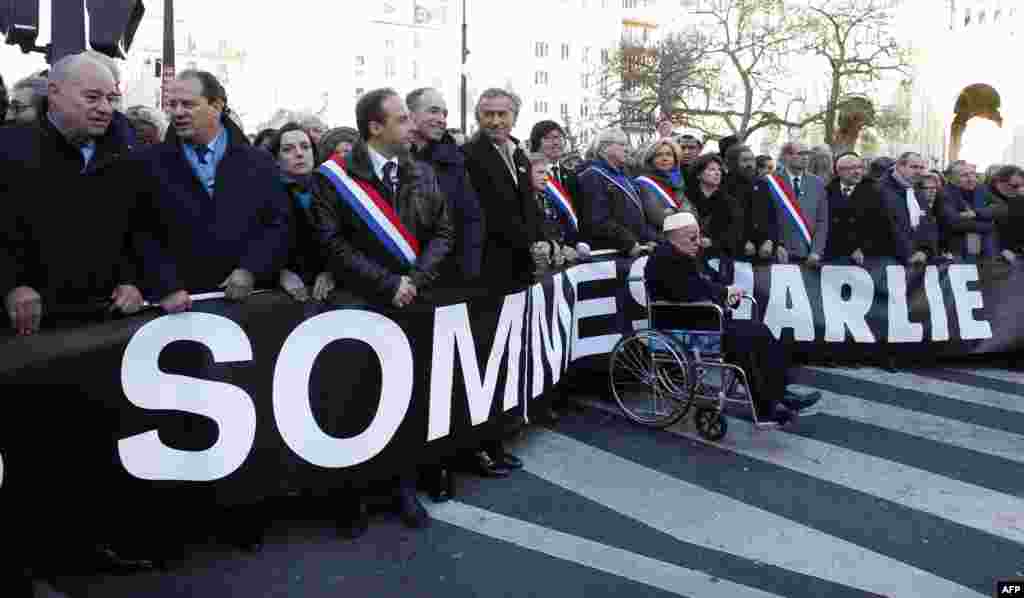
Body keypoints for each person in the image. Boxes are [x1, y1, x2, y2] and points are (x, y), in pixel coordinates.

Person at [0, 53, 152, 592]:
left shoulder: (124, 153)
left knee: (93, 444)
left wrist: (135, 280)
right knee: (33, 454)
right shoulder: (11, 149)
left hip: (100, 324)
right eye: (93, 97)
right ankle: (26, 568)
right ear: (55, 94)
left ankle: (88, 548)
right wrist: (11, 283)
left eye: (111, 98)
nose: (105, 107)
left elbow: (142, 231)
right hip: (30, 331)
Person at [311, 87, 453, 531]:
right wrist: (389, 284)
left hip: (412, 302)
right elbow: (331, 243)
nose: (412, 126)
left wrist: (415, 282)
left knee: (405, 399)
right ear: (375, 127)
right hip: (359, 303)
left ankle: (402, 487)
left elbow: (443, 233)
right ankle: (352, 497)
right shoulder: (333, 177)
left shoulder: (422, 172)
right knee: (355, 403)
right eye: (403, 119)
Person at [130, 69, 291, 311]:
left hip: (247, 304)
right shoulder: (150, 163)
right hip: (180, 307)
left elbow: (278, 223)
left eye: (188, 104)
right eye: (172, 104)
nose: (177, 112)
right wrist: (166, 285)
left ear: (216, 106)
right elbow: (141, 232)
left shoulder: (259, 162)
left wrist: (251, 269)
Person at [644, 211, 820, 424]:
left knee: (761, 332)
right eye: (692, 238)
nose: (698, 242)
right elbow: (686, 292)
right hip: (681, 323)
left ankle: (780, 394)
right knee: (744, 341)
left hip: (700, 317)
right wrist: (724, 293)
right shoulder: (664, 259)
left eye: (698, 237)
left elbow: (708, 283)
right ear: (675, 237)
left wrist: (727, 293)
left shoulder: (684, 254)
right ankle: (766, 406)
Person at [462, 88, 545, 286]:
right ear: (479, 118)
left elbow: (527, 204)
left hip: (523, 265)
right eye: (488, 114)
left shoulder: (520, 155)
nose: (495, 121)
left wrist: (542, 242)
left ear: (514, 118)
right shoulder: (466, 156)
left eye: (502, 114)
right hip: (489, 269)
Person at [408, 87, 486, 283]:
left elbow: (470, 217)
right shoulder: (390, 157)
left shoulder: (455, 160)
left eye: (445, 114)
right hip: (398, 276)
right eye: (434, 111)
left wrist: (468, 271)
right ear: (410, 114)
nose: (442, 119)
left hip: (446, 276)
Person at [271, 123, 335, 302]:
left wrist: (333, 271)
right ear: (276, 158)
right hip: (283, 297)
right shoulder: (265, 194)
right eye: (288, 149)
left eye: (305, 147)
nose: (299, 154)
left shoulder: (333, 189)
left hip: (330, 295)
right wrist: (277, 273)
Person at [579, 127, 658, 254]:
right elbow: (598, 220)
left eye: (627, 144)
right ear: (604, 148)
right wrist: (628, 242)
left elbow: (637, 215)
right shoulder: (592, 175)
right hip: (609, 252)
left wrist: (649, 239)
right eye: (622, 144)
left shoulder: (624, 175)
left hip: (633, 248)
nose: (628, 149)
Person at [823, 152, 891, 266]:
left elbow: (881, 227)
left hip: (866, 257)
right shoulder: (827, 192)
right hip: (835, 256)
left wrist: (863, 249)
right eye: (851, 168)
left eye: (859, 167)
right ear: (839, 171)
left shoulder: (875, 191)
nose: (857, 172)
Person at [723, 144, 781, 262]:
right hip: (735, 254)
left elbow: (772, 216)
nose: (750, 164)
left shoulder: (762, 184)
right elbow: (723, 221)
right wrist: (742, 241)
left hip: (764, 253)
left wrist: (770, 241)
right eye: (744, 160)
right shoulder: (724, 185)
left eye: (752, 160)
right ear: (734, 163)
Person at [775, 141, 829, 265]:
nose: (805, 158)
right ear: (787, 156)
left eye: (807, 154)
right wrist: (775, 245)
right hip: (780, 256)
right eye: (800, 154)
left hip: (809, 255)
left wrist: (816, 251)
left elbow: (822, 221)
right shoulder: (772, 182)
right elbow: (766, 219)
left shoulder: (817, 183)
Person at [874, 152, 932, 265]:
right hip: (889, 261)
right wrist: (908, 254)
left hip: (918, 260)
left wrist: (925, 252)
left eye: (921, 168)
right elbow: (887, 227)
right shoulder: (880, 190)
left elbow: (928, 224)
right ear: (899, 166)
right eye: (914, 167)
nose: (919, 171)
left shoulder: (917, 191)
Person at [687, 154, 745, 264]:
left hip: (719, 258)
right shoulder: (687, 198)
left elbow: (737, 232)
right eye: (711, 169)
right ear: (698, 174)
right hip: (688, 255)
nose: (717, 173)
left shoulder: (730, 202)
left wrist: (713, 242)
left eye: (719, 170)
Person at [527, 151, 579, 264]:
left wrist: (563, 248)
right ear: (527, 173)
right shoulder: (524, 201)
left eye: (547, 173)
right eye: (540, 172)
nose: (546, 178)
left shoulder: (547, 199)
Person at [938, 160, 996, 259]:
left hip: (984, 249)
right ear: (951, 178)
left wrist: (976, 213)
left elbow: (999, 208)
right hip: (957, 252)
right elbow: (954, 222)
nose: (971, 179)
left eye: (973, 174)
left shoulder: (981, 189)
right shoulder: (944, 194)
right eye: (964, 175)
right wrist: (989, 224)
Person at [634, 138, 693, 232]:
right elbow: (660, 218)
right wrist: (682, 213)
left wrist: (674, 211)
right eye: (659, 155)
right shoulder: (643, 183)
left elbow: (693, 213)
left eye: (669, 154)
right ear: (650, 159)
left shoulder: (677, 182)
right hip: (660, 236)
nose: (664, 159)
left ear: (675, 159)